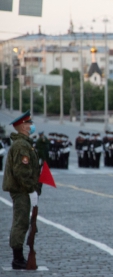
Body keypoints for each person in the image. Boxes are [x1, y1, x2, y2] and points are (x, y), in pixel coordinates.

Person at [2, 110, 42, 270]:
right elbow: (22, 171)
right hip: (21, 190)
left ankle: (18, 257)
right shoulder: (21, 145)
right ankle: (17, 259)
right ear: (23, 126)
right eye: (29, 123)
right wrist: (31, 189)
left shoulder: (24, 144)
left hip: (23, 189)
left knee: (23, 222)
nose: (32, 126)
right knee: (21, 222)